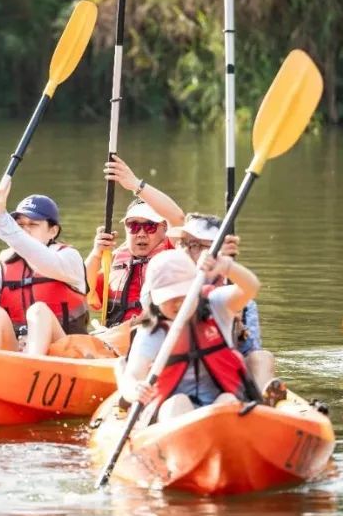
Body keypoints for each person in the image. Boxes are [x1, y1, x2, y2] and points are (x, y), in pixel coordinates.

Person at [116, 248, 262, 423]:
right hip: (173, 416)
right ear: (156, 299)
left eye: (184, 295)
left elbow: (251, 288)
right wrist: (135, 389)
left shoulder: (216, 306)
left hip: (218, 410)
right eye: (170, 297)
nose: (178, 303)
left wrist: (227, 266)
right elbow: (132, 376)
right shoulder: (151, 332)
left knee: (228, 401)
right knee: (178, 403)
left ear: (196, 290)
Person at [0, 185, 89, 356]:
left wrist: (2, 220)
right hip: (21, 349)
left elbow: (41, 259)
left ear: (53, 231)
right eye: (19, 224)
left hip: (67, 352)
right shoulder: (7, 263)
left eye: (33, 224)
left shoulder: (69, 258)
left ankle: (33, 364)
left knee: (38, 310)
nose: (25, 229)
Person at [167, 213, 282, 398]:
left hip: (225, 373)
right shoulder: (166, 289)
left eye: (195, 245)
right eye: (183, 244)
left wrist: (236, 328)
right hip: (183, 371)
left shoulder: (241, 300)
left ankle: (265, 402)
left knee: (262, 357)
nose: (186, 251)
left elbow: (249, 352)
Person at [85, 154, 185, 326]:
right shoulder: (112, 261)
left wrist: (136, 185)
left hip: (156, 332)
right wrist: (96, 254)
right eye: (133, 226)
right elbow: (81, 290)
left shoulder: (173, 252)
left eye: (150, 226)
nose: (141, 233)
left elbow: (178, 218)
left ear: (164, 228)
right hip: (115, 337)